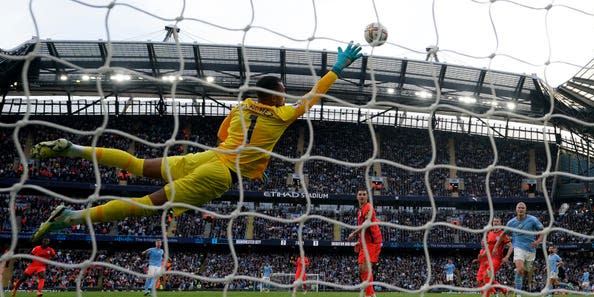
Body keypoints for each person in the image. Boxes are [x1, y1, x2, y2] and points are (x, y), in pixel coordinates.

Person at [29, 42, 363, 242]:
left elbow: (222, 136)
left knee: (137, 164)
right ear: (275, 94)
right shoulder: (284, 114)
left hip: (208, 157)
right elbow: (314, 95)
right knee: (150, 204)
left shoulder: (240, 107)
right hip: (220, 174)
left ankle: (74, 149)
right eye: (282, 89)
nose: (286, 93)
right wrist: (335, 68)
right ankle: (71, 218)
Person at [505, 202, 544, 297]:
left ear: (525, 210)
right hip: (518, 247)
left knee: (524, 273)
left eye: (523, 208)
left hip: (531, 250)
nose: (521, 209)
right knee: (520, 269)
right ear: (516, 209)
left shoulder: (533, 220)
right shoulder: (511, 223)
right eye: (519, 207)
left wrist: (538, 241)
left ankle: (515, 287)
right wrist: (497, 247)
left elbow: (543, 231)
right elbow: (503, 235)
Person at [348, 188, 382, 297]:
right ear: (357, 197)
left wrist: (354, 233)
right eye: (360, 194)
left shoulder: (368, 207)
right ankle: (370, 296)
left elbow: (366, 224)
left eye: (364, 194)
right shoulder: (360, 210)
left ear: (367, 196)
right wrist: (359, 241)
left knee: (365, 269)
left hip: (373, 243)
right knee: (362, 270)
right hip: (365, 243)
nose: (362, 196)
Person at [474, 216, 513, 297]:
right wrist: (482, 255)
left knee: (486, 276)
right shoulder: (490, 233)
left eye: (497, 222)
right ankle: (504, 290)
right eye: (494, 221)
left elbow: (511, 246)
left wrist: (506, 257)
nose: (495, 223)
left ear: (500, 223)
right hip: (488, 259)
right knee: (487, 278)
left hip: (496, 259)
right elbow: (488, 247)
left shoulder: (503, 234)